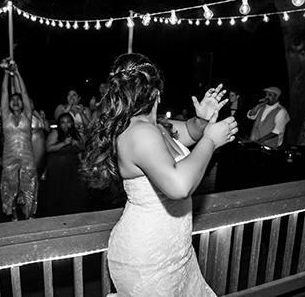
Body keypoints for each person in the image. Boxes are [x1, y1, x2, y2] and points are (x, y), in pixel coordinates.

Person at [80, 53, 237, 296]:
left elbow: (190, 133)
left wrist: (203, 119)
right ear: (157, 92)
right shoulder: (140, 132)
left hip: (175, 252)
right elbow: (179, 185)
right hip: (147, 258)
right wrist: (211, 141)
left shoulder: (157, 128)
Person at [0, 60, 38, 221]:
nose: (15, 101)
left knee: (29, 187)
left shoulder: (27, 115)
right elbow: (3, 92)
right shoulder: (5, 116)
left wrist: (17, 72)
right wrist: (6, 73)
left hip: (27, 157)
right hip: (9, 157)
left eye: (18, 100)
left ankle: (29, 215)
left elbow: (23, 92)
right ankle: (13, 214)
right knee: (10, 187)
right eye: (12, 100)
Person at [44, 112, 85, 216]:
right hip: (58, 167)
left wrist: (77, 144)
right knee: (58, 191)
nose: (66, 125)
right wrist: (64, 143)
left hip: (73, 167)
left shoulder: (76, 133)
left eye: (68, 122)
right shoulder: (56, 132)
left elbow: (83, 148)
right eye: (63, 122)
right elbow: (48, 148)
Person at [31, 100, 50, 181]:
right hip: (30, 144)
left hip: (40, 143)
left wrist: (44, 119)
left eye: (31, 102)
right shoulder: (22, 116)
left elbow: (47, 129)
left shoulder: (38, 114)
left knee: (40, 165)